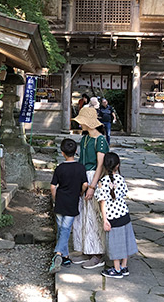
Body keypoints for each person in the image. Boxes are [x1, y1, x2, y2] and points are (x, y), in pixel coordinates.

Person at [71, 106, 109, 270]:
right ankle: (85, 249)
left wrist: (93, 186)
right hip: (82, 177)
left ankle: (97, 253)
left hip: (94, 177)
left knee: (94, 216)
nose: (80, 124)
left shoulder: (101, 140)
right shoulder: (85, 138)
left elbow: (101, 165)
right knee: (82, 215)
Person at [49, 138, 88, 274]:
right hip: (72, 202)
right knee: (65, 229)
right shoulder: (80, 168)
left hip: (60, 202)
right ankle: (60, 254)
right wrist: (80, 193)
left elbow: (53, 186)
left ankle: (62, 256)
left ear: (62, 153)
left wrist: (55, 198)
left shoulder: (60, 168)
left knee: (62, 229)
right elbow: (85, 184)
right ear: (76, 151)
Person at [95, 152, 138, 279]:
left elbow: (103, 202)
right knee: (125, 241)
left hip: (112, 217)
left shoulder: (102, 182)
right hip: (124, 214)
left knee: (115, 243)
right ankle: (124, 266)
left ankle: (117, 269)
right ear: (117, 165)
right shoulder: (120, 178)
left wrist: (105, 220)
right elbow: (124, 193)